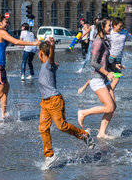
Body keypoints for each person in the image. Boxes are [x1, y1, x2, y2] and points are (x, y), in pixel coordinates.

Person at [37, 37, 95, 170]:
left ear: (41, 53)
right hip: (45, 102)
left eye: (38, 53)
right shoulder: (47, 66)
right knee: (43, 128)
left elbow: (52, 60)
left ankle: (85, 136)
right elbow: (55, 63)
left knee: (61, 126)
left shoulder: (48, 64)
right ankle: (49, 156)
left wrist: (52, 47)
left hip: (54, 100)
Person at [0, 15, 40, 123]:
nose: (7, 24)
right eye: (5, 22)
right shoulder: (1, 32)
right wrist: (33, 43)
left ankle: (3, 114)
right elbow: (16, 42)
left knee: (6, 87)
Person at [77, 19, 118, 139]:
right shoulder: (98, 42)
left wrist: (114, 66)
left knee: (113, 107)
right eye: (109, 26)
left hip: (103, 79)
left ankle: (101, 133)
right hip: (97, 79)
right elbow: (93, 62)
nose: (111, 27)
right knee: (109, 107)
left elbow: (103, 62)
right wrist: (108, 73)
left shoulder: (104, 41)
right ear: (102, 27)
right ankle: (83, 112)